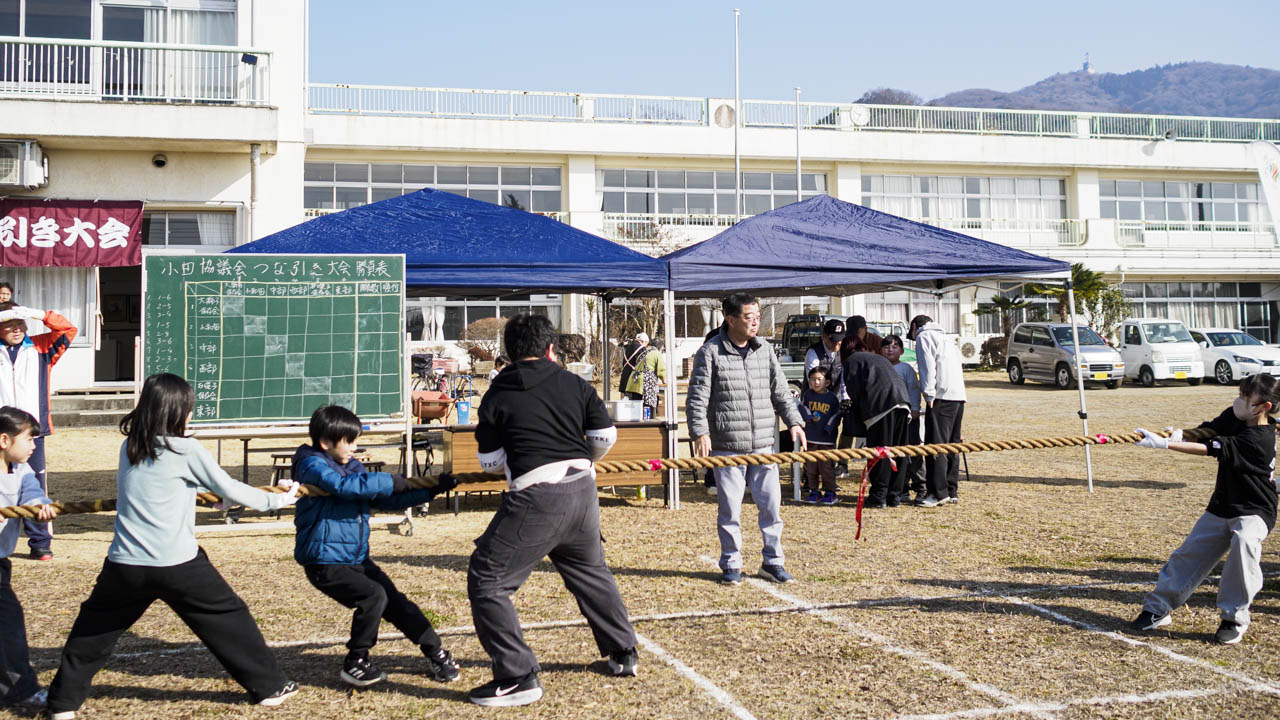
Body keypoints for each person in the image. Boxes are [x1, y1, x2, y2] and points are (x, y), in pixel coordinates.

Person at [46, 373, 302, 719]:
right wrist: (281, 500)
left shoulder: (131, 446)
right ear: (177, 411)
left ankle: (63, 703)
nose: (192, 415)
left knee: (93, 631)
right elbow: (233, 488)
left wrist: (205, 497)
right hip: (177, 564)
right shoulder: (186, 448)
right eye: (189, 408)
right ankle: (270, 687)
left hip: (124, 564)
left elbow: (158, 488)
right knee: (228, 618)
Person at [467, 314, 637, 707]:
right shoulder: (575, 382)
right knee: (590, 571)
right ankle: (623, 652)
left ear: (509, 354)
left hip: (536, 496)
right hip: (583, 490)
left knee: (488, 580)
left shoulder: (498, 391)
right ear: (549, 349)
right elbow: (604, 435)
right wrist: (582, 459)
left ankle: (516, 677)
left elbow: (490, 463)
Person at [291, 405, 460, 688]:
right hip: (324, 560)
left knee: (396, 603)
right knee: (373, 597)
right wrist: (392, 480)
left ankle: (436, 652)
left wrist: (430, 489)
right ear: (325, 443)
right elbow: (344, 487)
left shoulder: (352, 468)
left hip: (356, 557)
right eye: (350, 441)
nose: (355, 448)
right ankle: (356, 661)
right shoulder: (311, 464)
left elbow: (385, 500)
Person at [1128, 375, 1280, 645]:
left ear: (1264, 406)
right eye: (1241, 393)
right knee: (1189, 554)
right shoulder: (1235, 417)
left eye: (1247, 397)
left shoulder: (1259, 439)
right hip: (1223, 504)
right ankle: (1157, 610)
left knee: (1244, 545)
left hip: (1255, 509)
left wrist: (1165, 444)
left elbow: (1211, 448)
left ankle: (1234, 618)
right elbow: (1209, 431)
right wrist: (1181, 433)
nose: (1240, 400)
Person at [687, 293, 806, 585]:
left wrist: (794, 421)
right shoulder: (710, 352)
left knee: (771, 507)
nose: (756, 321)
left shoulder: (764, 349)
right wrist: (700, 432)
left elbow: (781, 392)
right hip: (728, 446)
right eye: (749, 316)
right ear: (730, 319)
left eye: (758, 315)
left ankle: (773, 561)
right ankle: (731, 563)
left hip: (764, 444)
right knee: (730, 510)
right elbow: (697, 399)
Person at [0, 301, 76, 561]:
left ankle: (40, 543)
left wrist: (39, 315)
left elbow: (68, 330)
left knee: (34, 486)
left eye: (21, 324)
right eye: (9, 325)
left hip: (32, 432)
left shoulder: (41, 347)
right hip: (1, 433)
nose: (17, 330)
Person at [0, 407, 55, 712]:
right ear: (4, 440)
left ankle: (19, 691)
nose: (35, 445)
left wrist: (40, 505)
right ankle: (23, 692)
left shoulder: (21, 472)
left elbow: (33, 494)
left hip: (0, 567)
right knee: (8, 628)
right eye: (29, 438)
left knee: (8, 628)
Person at [909, 314, 967, 508]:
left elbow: (927, 368)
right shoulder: (946, 337)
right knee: (952, 444)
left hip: (941, 396)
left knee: (936, 445)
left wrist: (928, 395)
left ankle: (937, 493)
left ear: (915, 327)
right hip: (958, 395)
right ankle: (951, 489)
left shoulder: (924, 337)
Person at [843, 350, 911, 508]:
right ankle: (894, 496)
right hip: (902, 402)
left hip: (881, 405)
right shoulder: (877, 358)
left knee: (880, 452)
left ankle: (879, 496)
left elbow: (854, 387)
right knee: (898, 451)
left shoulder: (852, 361)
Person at [881, 334, 925, 503]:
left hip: (907, 417)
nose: (890, 350)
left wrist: (915, 408)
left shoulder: (906, 369)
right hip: (889, 418)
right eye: (886, 347)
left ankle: (921, 486)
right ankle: (900, 488)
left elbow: (914, 389)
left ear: (901, 350)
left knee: (913, 452)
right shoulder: (880, 366)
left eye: (894, 347)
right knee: (893, 453)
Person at [797, 367, 840, 505]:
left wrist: (829, 427)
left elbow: (836, 416)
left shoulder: (832, 398)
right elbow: (803, 408)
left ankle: (830, 491)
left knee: (826, 467)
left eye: (819, 379)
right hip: (810, 438)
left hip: (826, 440)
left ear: (826, 382)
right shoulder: (808, 395)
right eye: (812, 380)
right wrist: (808, 417)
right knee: (811, 467)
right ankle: (814, 490)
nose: (815, 382)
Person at [624, 334, 666, 419]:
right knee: (648, 405)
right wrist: (664, 380)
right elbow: (661, 370)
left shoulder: (644, 352)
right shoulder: (657, 354)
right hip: (646, 382)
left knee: (637, 407)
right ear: (660, 347)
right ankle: (649, 424)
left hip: (634, 382)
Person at [619, 332, 649, 399]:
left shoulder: (628, 347)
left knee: (624, 403)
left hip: (624, 376)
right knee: (634, 405)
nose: (646, 346)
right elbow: (643, 365)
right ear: (642, 341)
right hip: (634, 379)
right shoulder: (641, 349)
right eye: (646, 343)